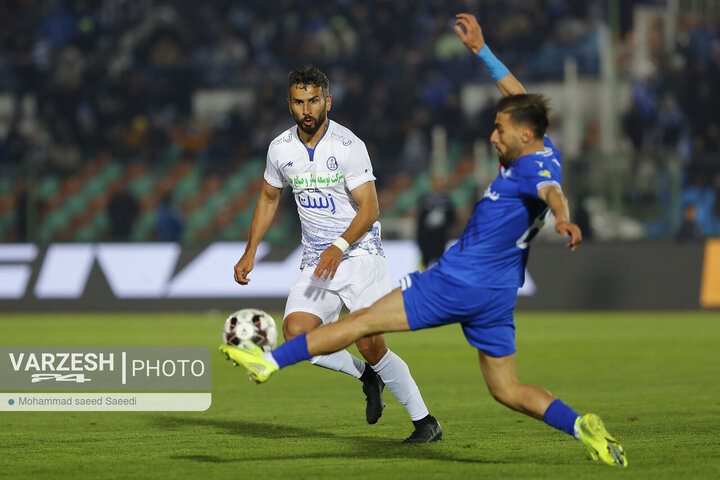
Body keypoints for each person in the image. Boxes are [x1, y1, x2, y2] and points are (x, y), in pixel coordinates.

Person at [221, 16, 627, 468]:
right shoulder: (544, 150)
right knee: (505, 389)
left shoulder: (533, 171)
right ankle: (579, 425)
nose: (493, 136)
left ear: (524, 136)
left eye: (500, 131)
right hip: (496, 293)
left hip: (455, 278)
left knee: (361, 329)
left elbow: (553, 194)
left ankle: (271, 363)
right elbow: (521, 102)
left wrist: (564, 218)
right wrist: (482, 51)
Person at [228, 65, 441, 443]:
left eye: (313, 101)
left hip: (360, 254)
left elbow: (370, 209)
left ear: (327, 100)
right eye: (298, 102)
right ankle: (365, 375)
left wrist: (339, 245)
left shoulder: (347, 146)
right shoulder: (280, 149)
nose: (306, 110)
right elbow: (268, 197)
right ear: (289, 104)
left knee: (371, 343)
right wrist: (251, 251)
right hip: (317, 259)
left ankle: (425, 422)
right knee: (297, 335)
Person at [416, 174, 456, 268]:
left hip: (440, 237)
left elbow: (452, 218)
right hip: (426, 238)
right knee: (425, 262)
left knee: (440, 262)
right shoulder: (424, 200)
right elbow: (420, 219)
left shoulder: (447, 200)